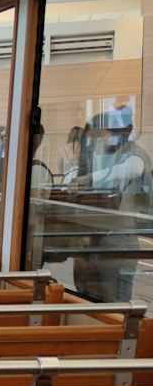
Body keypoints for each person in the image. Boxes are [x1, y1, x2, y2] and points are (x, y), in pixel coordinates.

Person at [70, 108, 150, 301]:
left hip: (119, 245)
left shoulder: (134, 153)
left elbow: (131, 169)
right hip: (99, 244)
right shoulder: (108, 156)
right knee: (89, 297)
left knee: (116, 305)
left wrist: (89, 178)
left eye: (101, 137)